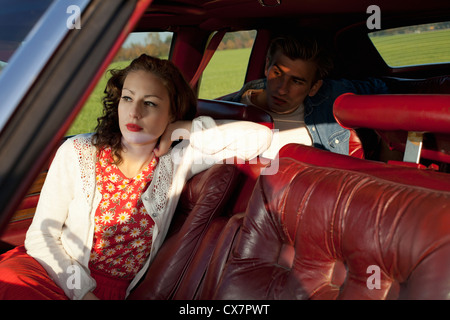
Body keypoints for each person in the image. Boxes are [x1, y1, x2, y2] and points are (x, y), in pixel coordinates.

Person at [0, 54, 272, 300]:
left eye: (150, 103)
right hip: (52, 273)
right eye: (127, 98)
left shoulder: (177, 161)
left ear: (172, 111)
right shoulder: (77, 151)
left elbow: (259, 138)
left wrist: (182, 128)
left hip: (113, 292)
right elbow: (40, 237)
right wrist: (82, 292)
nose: (134, 112)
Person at [222, 33, 389, 159]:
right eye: (277, 72)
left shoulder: (330, 96)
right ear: (267, 66)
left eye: (297, 81)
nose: (282, 89)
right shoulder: (227, 110)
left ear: (314, 87)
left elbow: (380, 89)